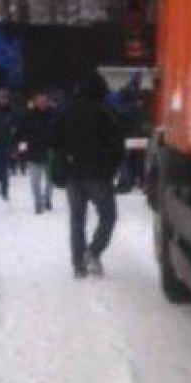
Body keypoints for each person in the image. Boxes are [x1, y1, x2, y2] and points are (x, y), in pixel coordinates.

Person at [54, 70, 125, 278]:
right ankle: (93, 252)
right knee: (108, 217)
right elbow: (117, 145)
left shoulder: (67, 111)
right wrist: (113, 168)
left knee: (77, 220)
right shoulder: (106, 112)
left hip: (73, 173)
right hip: (99, 175)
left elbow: (55, 140)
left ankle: (78, 265)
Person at [18, 92, 57, 213]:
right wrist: (21, 151)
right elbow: (21, 134)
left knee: (50, 180)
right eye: (39, 101)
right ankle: (38, 202)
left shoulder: (54, 115)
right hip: (33, 152)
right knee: (35, 181)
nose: (42, 103)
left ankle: (47, 199)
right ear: (35, 102)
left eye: (44, 101)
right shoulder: (28, 116)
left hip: (50, 152)